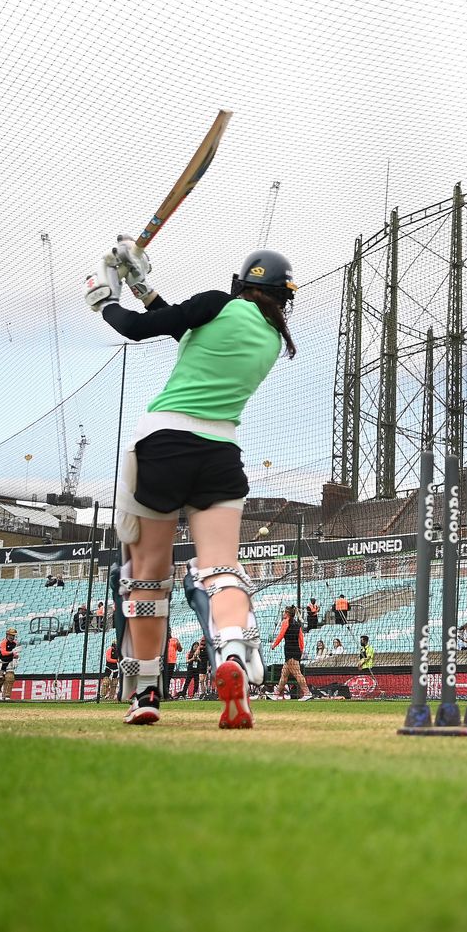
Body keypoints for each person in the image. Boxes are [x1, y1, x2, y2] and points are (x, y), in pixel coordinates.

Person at [87, 241, 298, 727]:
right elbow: (179, 321)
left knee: (147, 574)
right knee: (222, 568)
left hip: (163, 444)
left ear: (241, 285)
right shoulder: (270, 338)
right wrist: (143, 287)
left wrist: (105, 301)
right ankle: (235, 657)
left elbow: (141, 330)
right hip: (220, 453)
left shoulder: (216, 304)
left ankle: (145, 693)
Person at [270, 605, 312, 701]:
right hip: (296, 650)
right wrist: (300, 651)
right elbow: (301, 639)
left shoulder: (285, 622)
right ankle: (276, 694)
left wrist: (274, 645)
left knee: (297, 674)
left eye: (284, 612)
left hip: (290, 650)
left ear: (287, 614)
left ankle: (307, 693)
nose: (283, 614)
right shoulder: (297, 624)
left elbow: (281, 635)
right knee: (284, 674)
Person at [0, 627, 20, 701]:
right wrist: (12, 652)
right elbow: (4, 653)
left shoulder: (15, 643)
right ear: (7, 635)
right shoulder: (3, 642)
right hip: (2, 662)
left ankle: (6, 696)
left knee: (10, 678)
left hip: (10, 662)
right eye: (11, 635)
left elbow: (16, 654)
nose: (12, 637)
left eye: (13, 635)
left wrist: (16, 657)